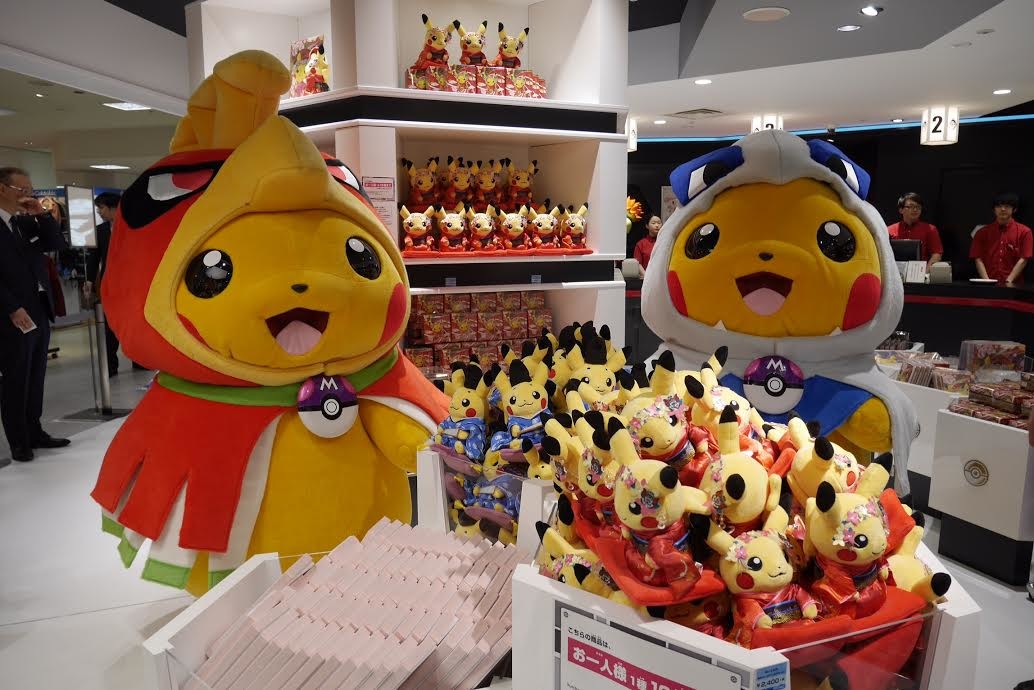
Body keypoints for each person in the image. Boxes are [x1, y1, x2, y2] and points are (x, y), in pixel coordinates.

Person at [0, 166, 70, 463]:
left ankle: (35, 431)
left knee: (36, 374)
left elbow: (57, 244)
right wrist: (11, 307)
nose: (28, 195)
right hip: (12, 314)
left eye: (30, 190)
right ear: (2, 189)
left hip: (39, 309)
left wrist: (41, 215)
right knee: (16, 377)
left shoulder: (25, 222)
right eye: (22, 190)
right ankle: (19, 440)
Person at [87, 192, 121, 376]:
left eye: (101, 208)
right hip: (109, 285)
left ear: (113, 207)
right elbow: (93, 258)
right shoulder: (99, 231)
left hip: (131, 284)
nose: (99, 212)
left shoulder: (131, 226)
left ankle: (140, 361)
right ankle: (110, 365)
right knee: (108, 326)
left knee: (133, 324)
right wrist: (89, 281)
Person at [970, 193, 1033, 285]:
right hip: (988, 285)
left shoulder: (1025, 232)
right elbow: (977, 258)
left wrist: (1009, 281)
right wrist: (987, 282)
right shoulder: (982, 233)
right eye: (999, 206)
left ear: (1014, 209)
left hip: (1015, 286)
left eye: (1007, 206)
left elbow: (1024, 259)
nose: (1003, 209)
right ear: (994, 209)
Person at [887, 192, 943, 269]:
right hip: (895, 272)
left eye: (918, 207)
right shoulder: (889, 230)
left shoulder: (930, 229)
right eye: (911, 206)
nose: (915, 210)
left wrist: (925, 273)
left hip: (921, 272)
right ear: (901, 210)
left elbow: (936, 254)